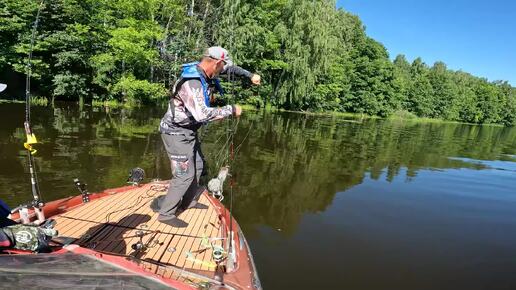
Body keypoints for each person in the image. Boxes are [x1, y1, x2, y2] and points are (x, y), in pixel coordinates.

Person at [157, 46, 260, 227]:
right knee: (183, 175)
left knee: (198, 166)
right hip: (175, 133)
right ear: (216, 62)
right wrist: (230, 110)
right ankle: (166, 214)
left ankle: (189, 202)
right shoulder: (193, 82)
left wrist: (250, 75)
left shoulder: (207, 69)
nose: (223, 70)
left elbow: (231, 69)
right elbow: (202, 115)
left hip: (188, 131)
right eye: (222, 67)